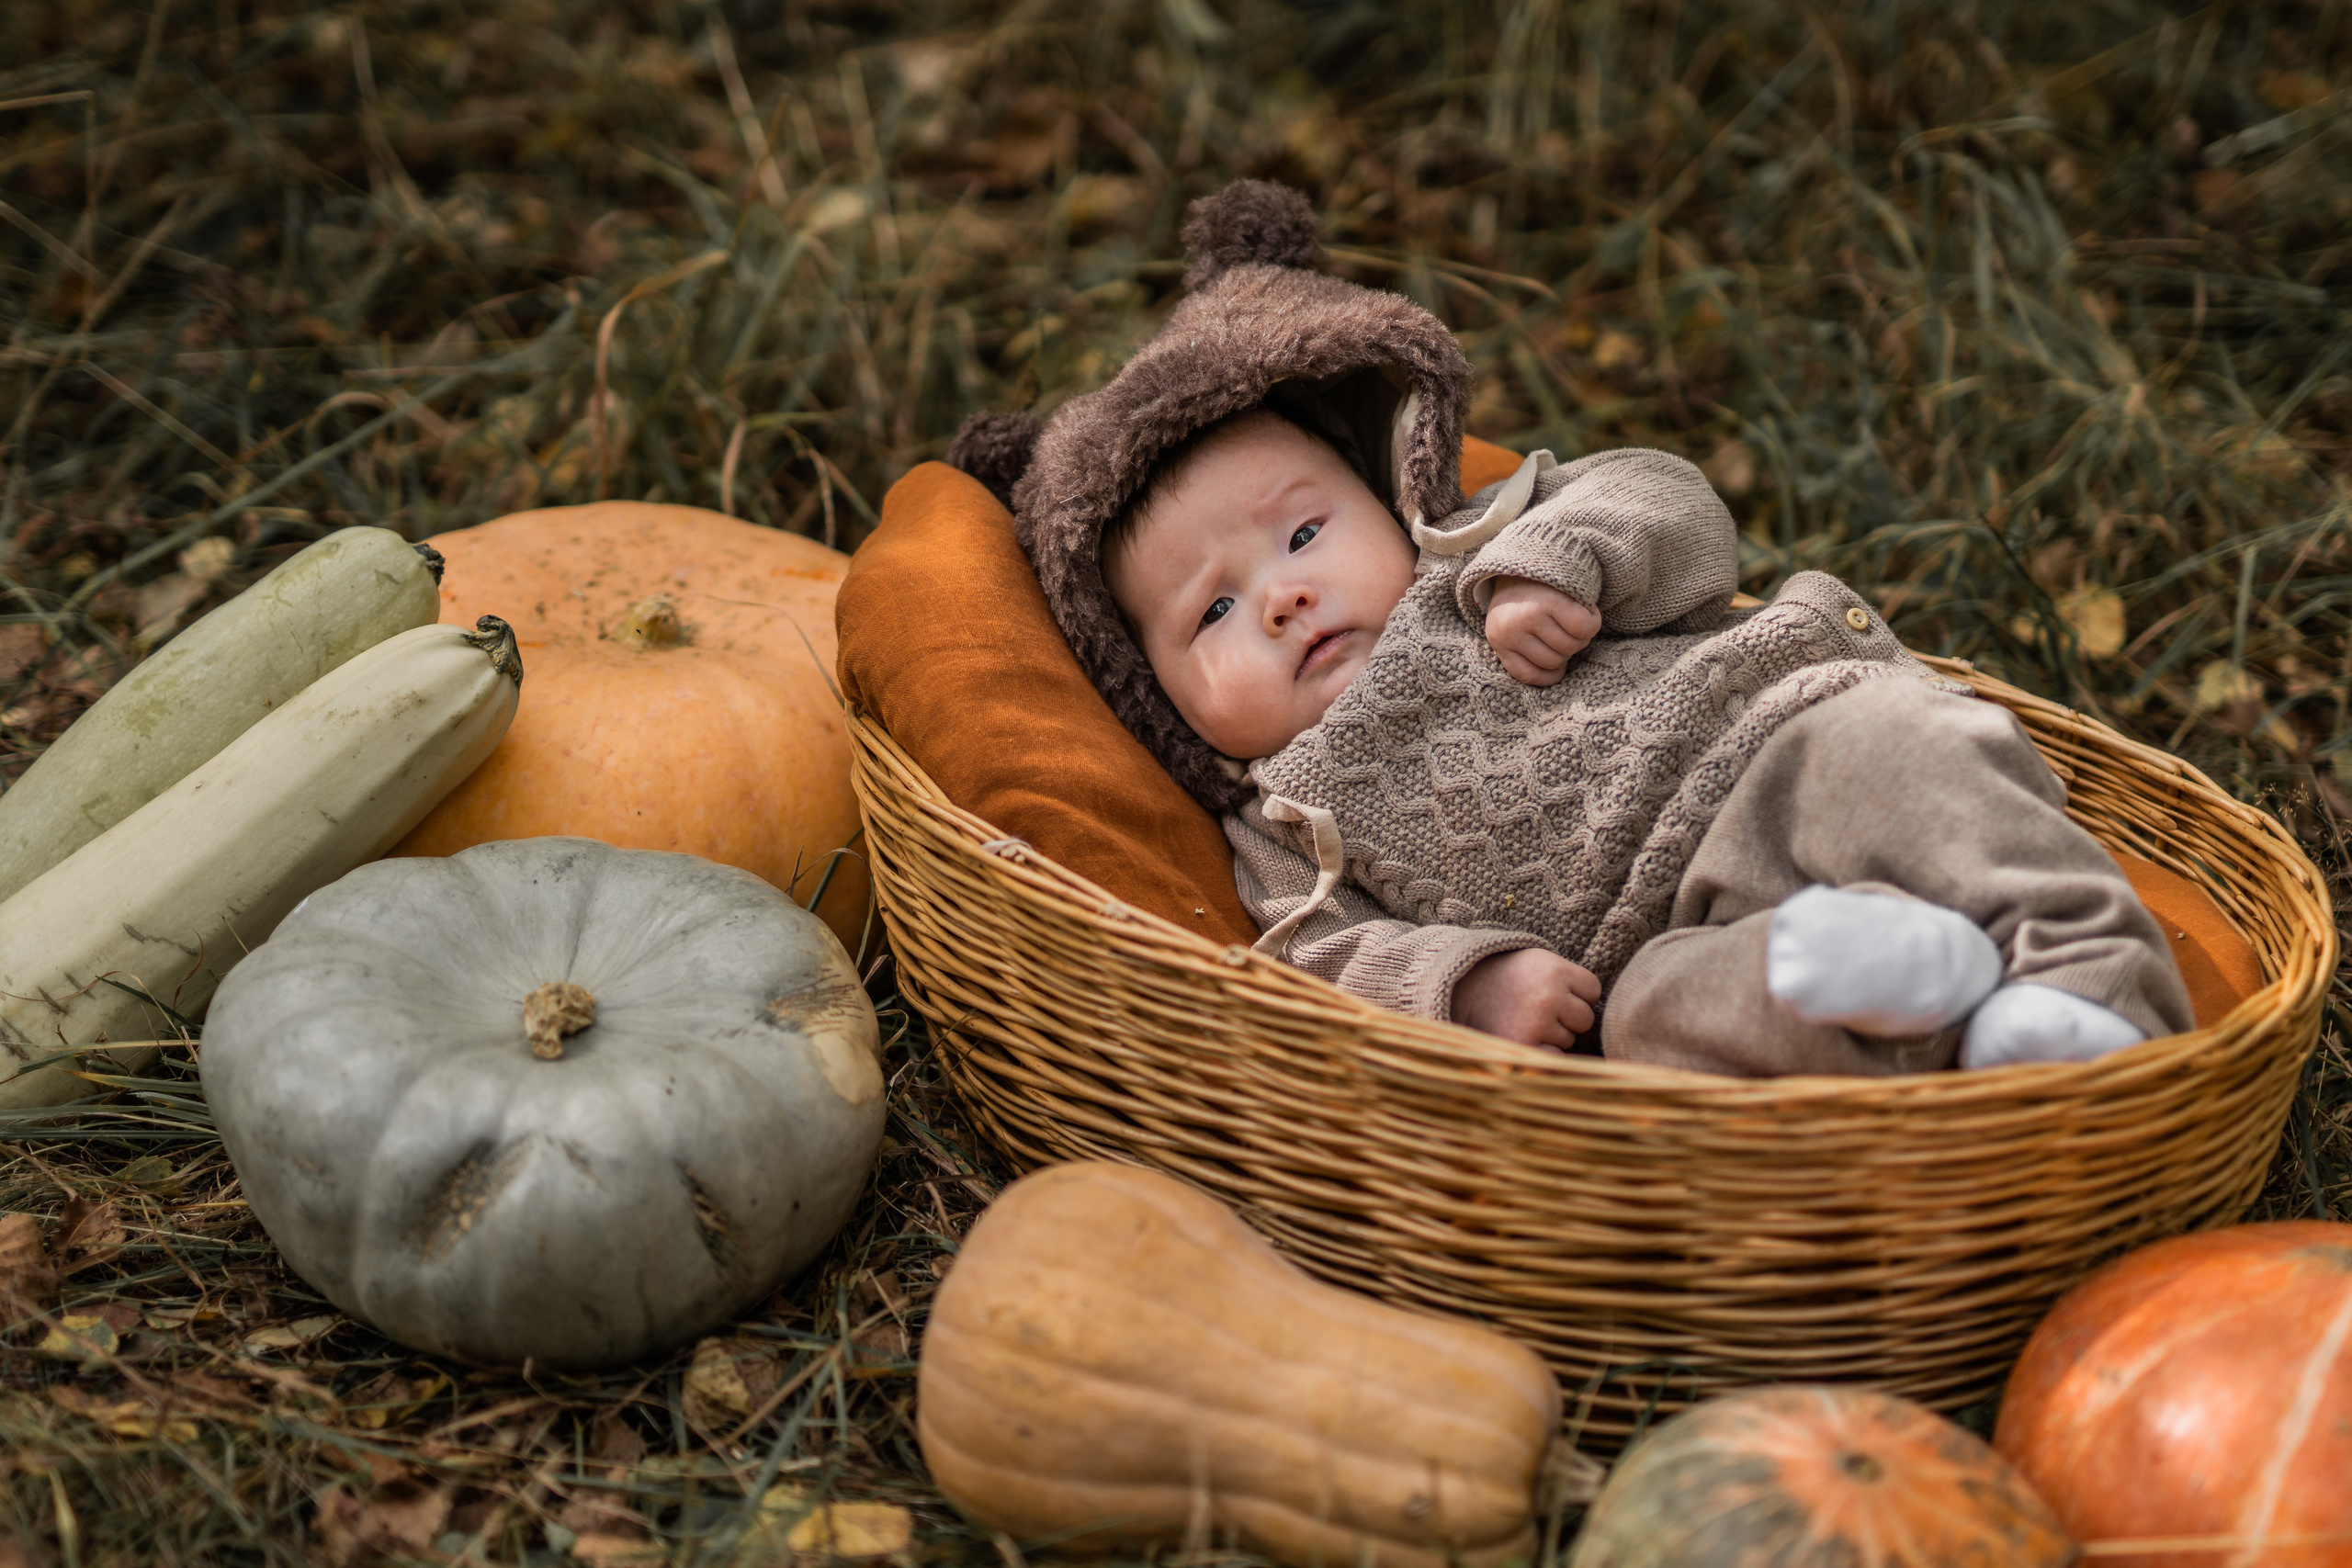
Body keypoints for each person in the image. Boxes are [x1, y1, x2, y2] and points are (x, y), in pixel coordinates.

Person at [956, 180, 2190, 1074]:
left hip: (1770, 754)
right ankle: (1952, 1021)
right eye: (1213, 611)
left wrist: (1558, 565)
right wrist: (1468, 983)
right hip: (1665, 943)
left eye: (1303, 534)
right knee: (1657, 1026)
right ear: (1152, 692)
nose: (1281, 597)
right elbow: (1317, 967)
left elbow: (1670, 498)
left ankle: (2094, 993)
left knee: (1904, 750)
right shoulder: (1281, 824)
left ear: (1386, 498)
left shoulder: (1477, 550)